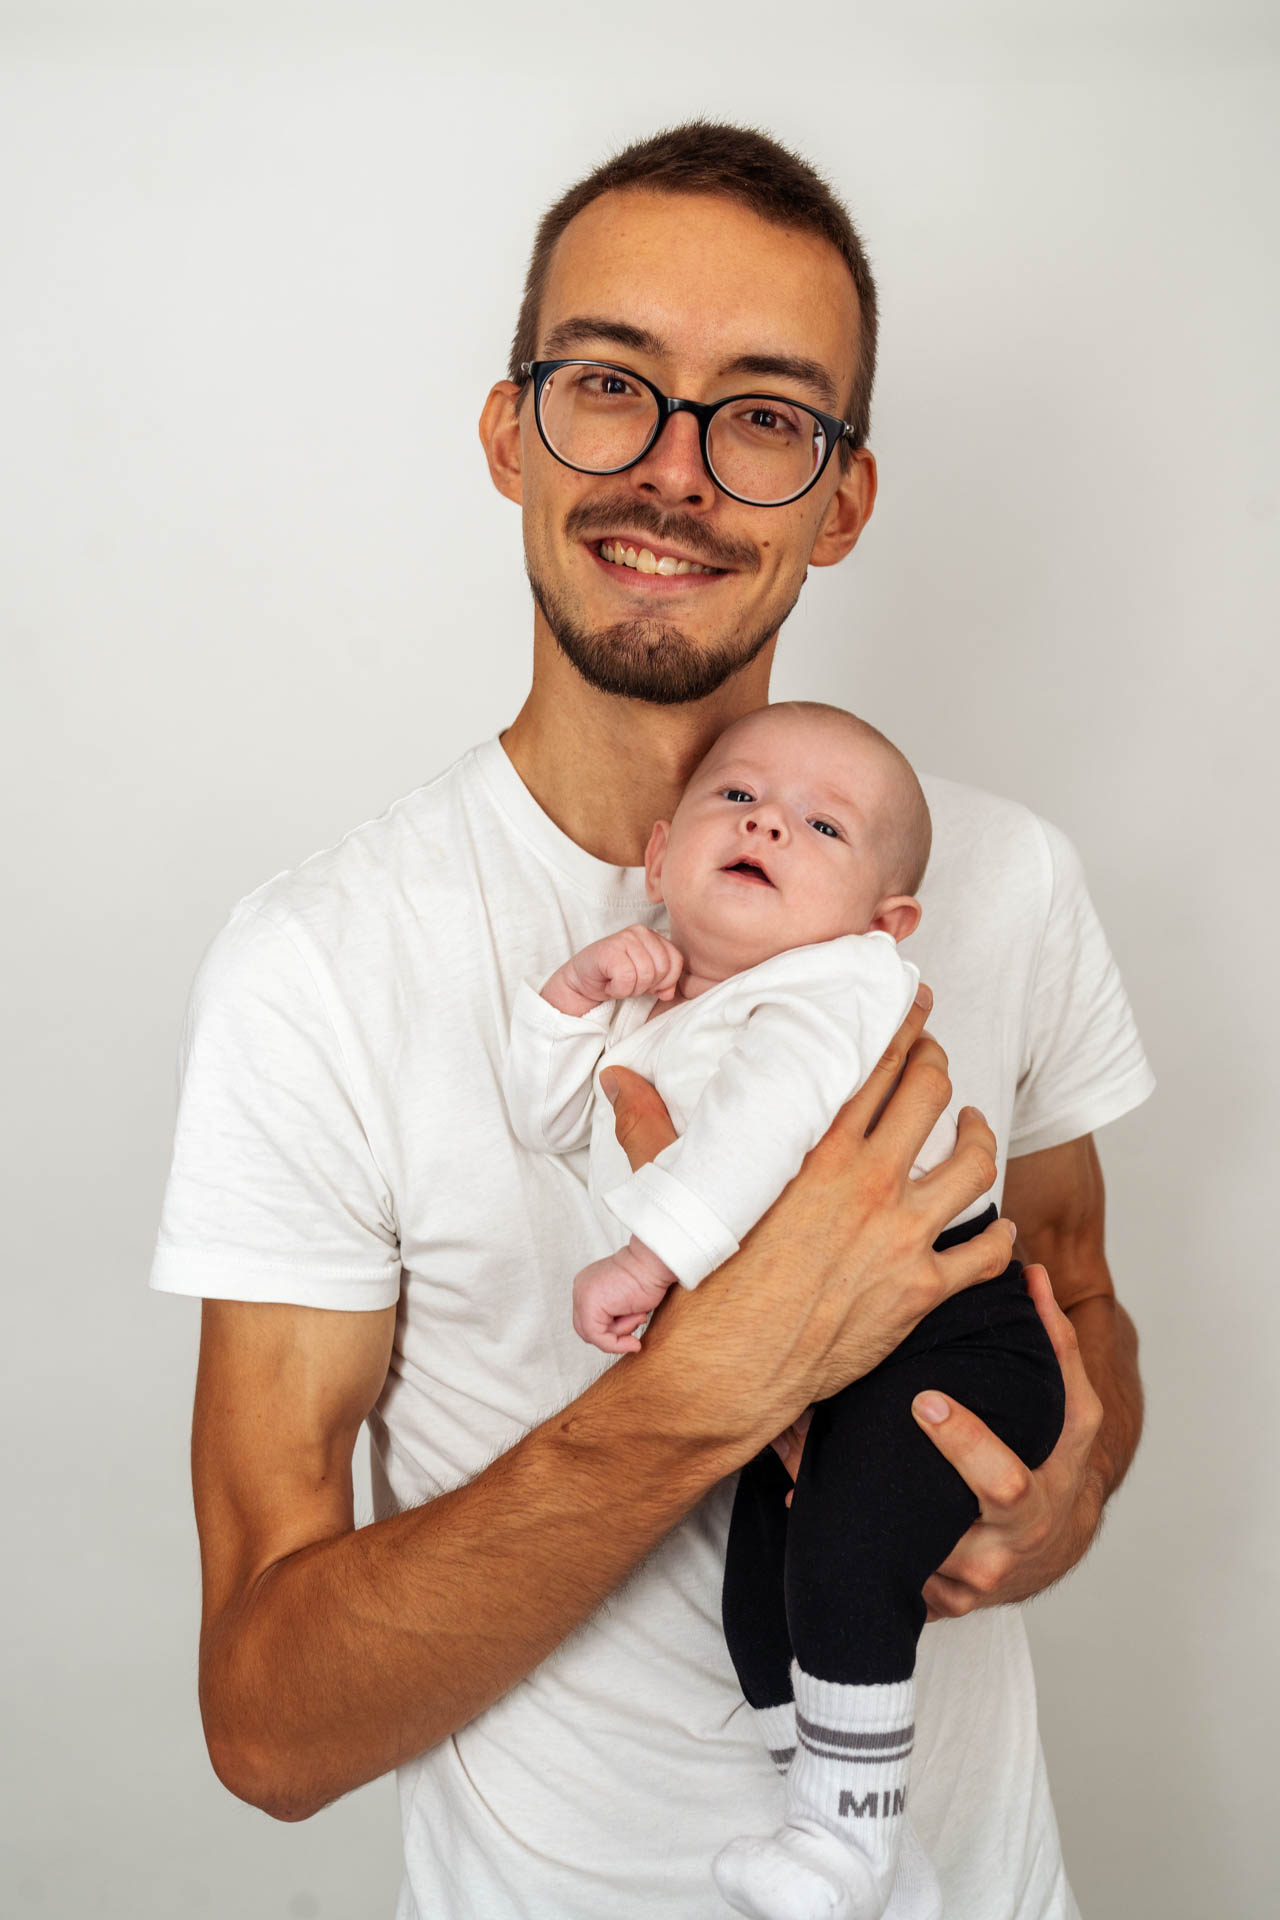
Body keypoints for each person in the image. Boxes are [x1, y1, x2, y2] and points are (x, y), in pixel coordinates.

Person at [150, 121, 1153, 1919]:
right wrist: (715, 1379)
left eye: (763, 414)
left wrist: (1063, 1495)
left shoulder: (1005, 883)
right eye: (611, 384)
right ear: (510, 431)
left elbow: (1080, 1309)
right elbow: (269, 1724)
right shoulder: (321, 963)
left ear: (840, 496)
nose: (675, 472)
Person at [503, 699, 1066, 1920]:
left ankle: (843, 1843)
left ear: (886, 918)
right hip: (819, 1365)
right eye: (736, 799)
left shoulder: (839, 986)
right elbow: (551, 1118)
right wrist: (576, 990)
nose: (767, 822)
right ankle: (860, 1852)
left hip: (948, 1341)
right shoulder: (669, 1011)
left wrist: (648, 1263)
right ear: (659, 857)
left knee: (847, 1559)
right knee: (762, 1600)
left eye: (820, 823)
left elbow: (759, 1131)